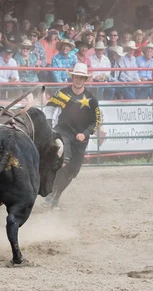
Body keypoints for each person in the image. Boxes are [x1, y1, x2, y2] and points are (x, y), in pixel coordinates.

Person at [42, 63, 102, 210]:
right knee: (64, 160)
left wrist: (85, 133)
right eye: (76, 76)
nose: (78, 80)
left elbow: (97, 120)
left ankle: (55, 197)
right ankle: (50, 193)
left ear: (85, 79)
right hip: (62, 131)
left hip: (81, 139)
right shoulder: (62, 93)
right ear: (72, 77)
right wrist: (49, 126)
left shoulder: (91, 99)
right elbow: (49, 108)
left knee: (72, 172)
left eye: (81, 77)